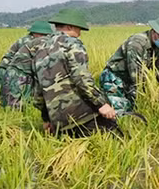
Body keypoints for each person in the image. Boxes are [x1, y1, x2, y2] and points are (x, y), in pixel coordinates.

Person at [32, 8, 119, 137]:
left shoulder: (40, 50)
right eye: (78, 29)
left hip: (58, 122)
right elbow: (82, 79)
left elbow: (38, 92)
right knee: (115, 139)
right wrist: (102, 104)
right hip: (83, 116)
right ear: (70, 26)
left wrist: (46, 119)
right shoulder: (72, 44)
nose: (79, 34)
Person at [99, 16, 159, 116]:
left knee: (135, 111)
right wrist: (151, 94)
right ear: (154, 31)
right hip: (114, 79)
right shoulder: (137, 44)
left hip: (130, 82)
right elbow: (136, 75)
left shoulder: (158, 48)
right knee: (121, 113)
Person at [0, 21, 53, 98]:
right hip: (11, 71)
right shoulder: (31, 42)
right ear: (35, 33)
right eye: (43, 34)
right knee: (17, 98)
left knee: (6, 96)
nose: (44, 37)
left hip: (5, 70)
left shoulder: (24, 39)